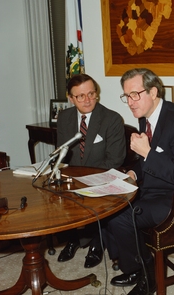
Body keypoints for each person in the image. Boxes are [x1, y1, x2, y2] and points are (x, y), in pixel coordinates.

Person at [103, 68, 174, 295]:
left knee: (121, 215)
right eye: (126, 96)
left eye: (135, 95)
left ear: (153, 92)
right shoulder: (146, 116)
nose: (130, 102)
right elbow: (151, 161)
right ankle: (134, 268)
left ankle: (149, 277)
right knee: (107, 204)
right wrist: (133, 174)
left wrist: (148, 153)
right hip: (155, 188)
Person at [56, 73, 126, 268]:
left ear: (96, 93)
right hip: (73, 175)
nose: (87, 100)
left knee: (91, 197)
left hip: (102, 176)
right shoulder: (64, 117)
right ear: (71, 98)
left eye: (91, 94)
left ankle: (97, 243)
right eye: (80, 96)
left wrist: (85, 179)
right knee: (57, 193)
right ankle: (73, 239)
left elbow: (115, 159)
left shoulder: (111, 119)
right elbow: (63, 152)